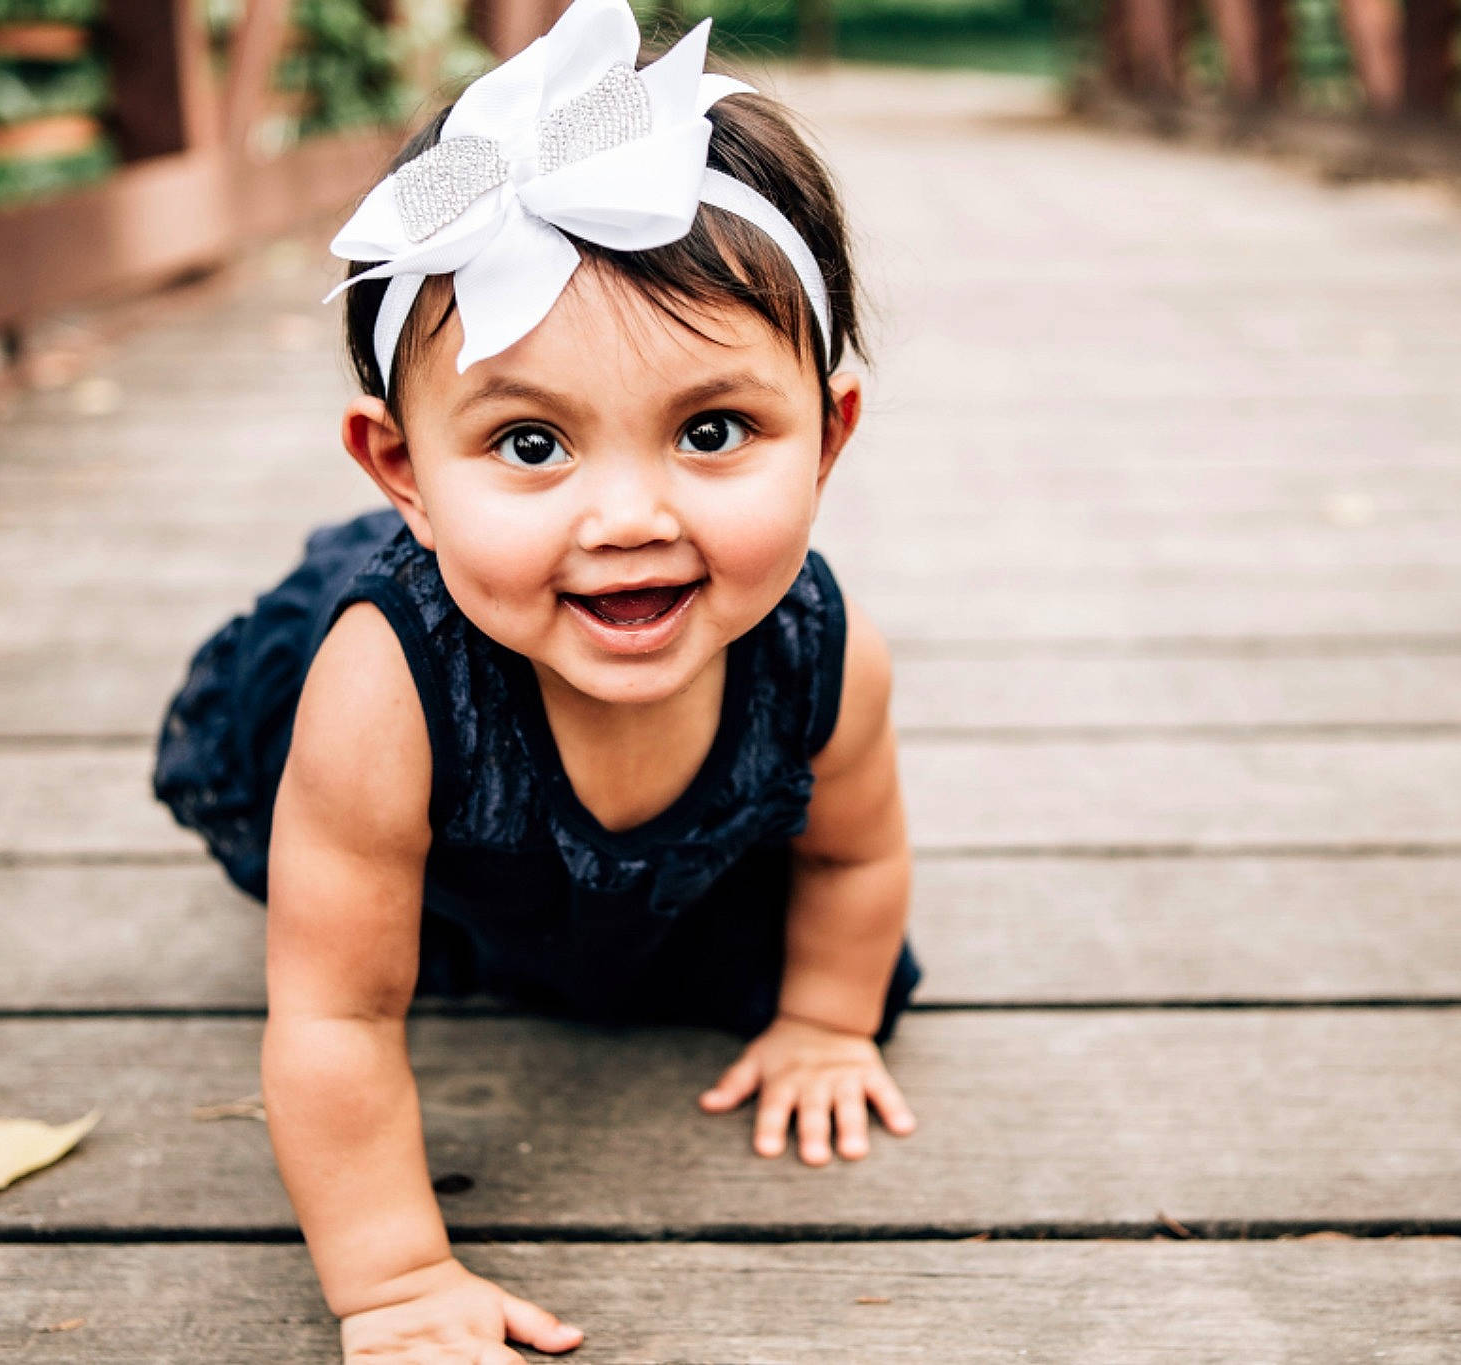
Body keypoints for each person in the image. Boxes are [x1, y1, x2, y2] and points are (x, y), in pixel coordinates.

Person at [151, 0, 922, 1357]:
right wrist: (392, 1276)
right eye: (527, 445)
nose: (628, 515)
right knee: (350, 924)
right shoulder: (382, 690)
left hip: (657, 867)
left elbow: (852, 861)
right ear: (403, 473)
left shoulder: (821, 652)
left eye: (713, 428)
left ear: (830, 433)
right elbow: (332, 1015)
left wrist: (823, 1020)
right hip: (420, 802)